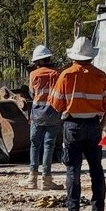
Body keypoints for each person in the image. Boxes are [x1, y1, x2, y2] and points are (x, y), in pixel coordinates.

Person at [48, 35, 106, 211]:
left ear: (73, 56)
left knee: (73, 170)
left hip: (73, 126)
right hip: (94, 126)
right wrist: (102, 125)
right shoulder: (101, 76)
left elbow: (56, 104)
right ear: (91, 57)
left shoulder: (66, 75)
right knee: (96, 169)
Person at [24, 44, 61, 192]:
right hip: (53, 114)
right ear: (49, 58)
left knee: (35, 145)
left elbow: (32, 94)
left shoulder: (33, 75)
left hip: (37, 115)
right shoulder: (57, 74)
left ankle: (32, 179)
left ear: (37, 61)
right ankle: (46, 180)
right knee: (48, 146)